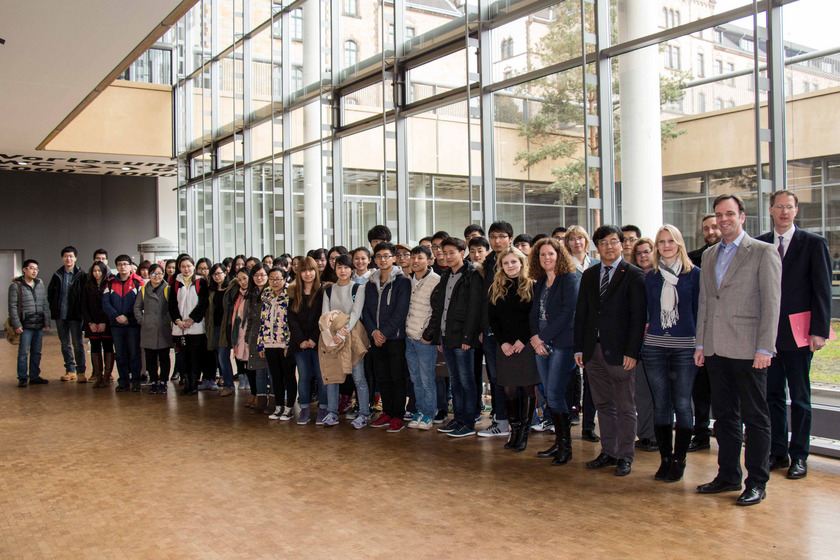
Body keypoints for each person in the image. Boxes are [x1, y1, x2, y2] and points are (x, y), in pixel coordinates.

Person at [695, 193, 782, 506]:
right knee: (725, 417)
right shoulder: (708, 255)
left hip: (749, 350)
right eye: (719, 215)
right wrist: (702, 343)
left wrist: (765, 348)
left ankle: (757, 481)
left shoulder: (763, 252)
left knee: (756, 418)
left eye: (729, 214)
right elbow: (706, 301)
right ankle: (728, 475)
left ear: (742, 217)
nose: (723, 220)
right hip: (716, 349)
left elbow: (772, 304)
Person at [757, 189, 832, 480]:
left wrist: (819, 331)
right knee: (772, 396)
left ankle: (799, 456)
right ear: (771, 211)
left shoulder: (814, 243)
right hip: (767, 336)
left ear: (796, 211)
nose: (784, 212)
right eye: (779, 207)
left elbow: (822, 291)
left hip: (799, 335)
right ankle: (777, 452)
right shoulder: (760, 244)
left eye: (789, 207)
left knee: (800, 398)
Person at [574, 225, 647, 477]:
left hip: (620, 353)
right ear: (596, 246)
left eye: (614, 241)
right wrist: (579, 348)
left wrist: (632, 352)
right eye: (603, 243)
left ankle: (625, 455)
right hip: (592, 351)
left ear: (622, 244)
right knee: (604, 405)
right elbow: (582, 314)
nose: (609, 246)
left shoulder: (634, 274)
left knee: (625, 406)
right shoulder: (590, 274)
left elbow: (638, 318)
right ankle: (609, 451)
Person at [641, 225, 701, 482]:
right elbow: (647, 312)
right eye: (661, 242)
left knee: (683, 404)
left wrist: (701, 345)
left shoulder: (694, 274)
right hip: (654, 346)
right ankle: (665, 458)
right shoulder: (651, 276)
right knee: (661, 403)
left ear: (679, 243)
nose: (666, 246)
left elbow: (700, 312)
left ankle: (680, 459)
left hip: (685, 347)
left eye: (670, 241)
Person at [424, 237, 483, 438]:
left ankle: (468, 422)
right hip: (446, 336)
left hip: (463, 338)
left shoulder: (472, 275)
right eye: (444, 252)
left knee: (467, 381)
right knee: (456, 381)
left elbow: (474, 310)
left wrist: (468, 338)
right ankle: (457, 419)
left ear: (462, 253)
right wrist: (439, 337)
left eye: (452, 252)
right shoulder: (446, 275)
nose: (447, 256)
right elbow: (440, 308)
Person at [528, 238, 580, 465]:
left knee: (555, 393)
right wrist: (535, 340)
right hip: (541, 345)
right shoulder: (540, 281)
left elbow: (567, 314)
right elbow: (532, 313)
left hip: (562, 344)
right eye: (542, 255)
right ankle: (559, 442)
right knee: (550, 394)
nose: (546, 258)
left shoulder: (569, 279)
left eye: (550, 254)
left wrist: (542, 337)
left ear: (559, 255)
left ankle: (566, 447)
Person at [488, 247, 538, 449]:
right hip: (505, 346)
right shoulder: (496, 287)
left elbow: (533, 317)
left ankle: (524, 432)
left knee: (526, 388)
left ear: (522, 263)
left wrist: (522, 340)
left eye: (513, 262)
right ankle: (514, 430)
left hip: (526, 345)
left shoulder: (532, 285)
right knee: (508, 391)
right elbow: (493, 319)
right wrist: (503, 342)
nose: (510, 266)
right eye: (506, 263)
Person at [362, 242, 411, 433]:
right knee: (382, 377)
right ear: (375, 260)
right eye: (379, 256)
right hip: (376, 339)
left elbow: (401, 311)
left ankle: (398, 415)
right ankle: (387, 413)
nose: (383, 260)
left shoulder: (403, 282)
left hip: (395, 338)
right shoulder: (370, 282)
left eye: (386, 256)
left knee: (397, 378)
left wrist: (384, 333)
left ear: (393, 258)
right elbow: (365, 311)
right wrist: (374, 332)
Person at [320, 255, 371, 428]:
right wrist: (331, 335)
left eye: (346, 267)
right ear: (334, 269)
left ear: (352, 270)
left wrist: (343, 332)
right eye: (339, 267)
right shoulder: (328, 290)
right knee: (333, 376)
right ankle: (332, 413)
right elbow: (325, 317)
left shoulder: (358, 288)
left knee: (358, 377)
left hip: (353, 336)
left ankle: (364, 413)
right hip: (333, 338)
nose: (343, 271)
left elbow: (356, 314)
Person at [685, 213, 721, 452]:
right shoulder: (693, 259)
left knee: (726, 391)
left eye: (714, 227)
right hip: (699, 331)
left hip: (728, 334)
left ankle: (730, 434)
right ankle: (701, 434)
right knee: (700, 390)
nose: (710, 232)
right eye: (706, 228)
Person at [564, 225, 601, 439]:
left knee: (591, 379)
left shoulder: (597, 264)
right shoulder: (565, 267)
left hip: (592, 329)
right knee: (569, 377)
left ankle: (588, 426)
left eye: (581, 238)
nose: (577, 242)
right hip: (570, 328)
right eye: (572, 239)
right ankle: (567, 418)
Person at [405, 245, 441, 430]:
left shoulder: (436, 281)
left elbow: (438, 312)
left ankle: (429, 413)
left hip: (424, 339)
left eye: (420, 258)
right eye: (413, 258)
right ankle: (419, 410)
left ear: (429, 260)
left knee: (427, 379)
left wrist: (429, 335)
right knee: (415, 378)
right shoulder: (409, 280)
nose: (415, 261)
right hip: (409, 337)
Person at [288, 256, 327, 424]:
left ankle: (323, 408)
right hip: (300, 344)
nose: (308, 273)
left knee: (321, 376)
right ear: (299, 273)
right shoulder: (293, 292)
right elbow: (291, 319)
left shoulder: (324, 291)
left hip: (319, 342)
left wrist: (313, 339)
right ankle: (304, 409)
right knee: (303, 376)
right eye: (304, 270)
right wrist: (302, 340)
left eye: (311, 270)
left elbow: (323, 317)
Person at [629, 237, 658, 453]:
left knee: (660, 390)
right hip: (638, 343)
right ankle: (647, 434)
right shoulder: (633, 278)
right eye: (638, 253)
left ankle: (659, 435)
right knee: (641, 392)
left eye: (647, 251)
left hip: (660, 342)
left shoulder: (663, 276)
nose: (643, 256)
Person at [102, 255, 144, 392]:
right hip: (116, 326)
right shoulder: (110, 283)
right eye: (120, 264)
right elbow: (106, 303)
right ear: (116, 267)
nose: (123, 267)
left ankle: (136, 381)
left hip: (133, 325)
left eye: (125, 264)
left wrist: (126, 316)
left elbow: (140, 303)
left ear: (131, 266)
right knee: (120, 355)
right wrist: (116, 316)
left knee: (134, 354)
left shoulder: (138, 282)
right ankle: (123, 382)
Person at [260, 267, 298, 421]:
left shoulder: (291, 294)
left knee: (288, 375)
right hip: (269, 343)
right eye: (272, 279)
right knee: (275, 376)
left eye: (278, 279)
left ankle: (289, 407)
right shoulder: (266, 294)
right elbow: (263, 321)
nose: (275, 282)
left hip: (285, 343)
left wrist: (289, 344)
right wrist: (261, 344)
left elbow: (293, 322)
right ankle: (278, 406)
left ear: (285, 279)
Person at [169, 257, 210, 396]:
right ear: (179, 268)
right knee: (183, 357)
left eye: (189, 266)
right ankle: (186, 383)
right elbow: (172, 305)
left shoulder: (201, 282)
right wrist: (178, 320)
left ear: (193, 266)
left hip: (196, 327)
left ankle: (194, 384)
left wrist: (192, 319)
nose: (186, 269)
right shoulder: (175, 283)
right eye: (183, 266)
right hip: (180, 328)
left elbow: (203, 303)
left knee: (195, 357)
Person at [47, 246, 87, 382]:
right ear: (62, 258)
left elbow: (85, 295)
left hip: (75, 315)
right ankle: (70, 370)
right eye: (65, 256)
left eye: (71, 256)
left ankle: (81, 371)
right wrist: (54, 308)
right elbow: (50, 294)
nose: (68, 258)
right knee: (65, 344)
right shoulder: (57, 274)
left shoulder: (82, 275)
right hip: (60, 315)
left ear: (75, 258)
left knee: (78, 343)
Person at [9, 260, 50, 387]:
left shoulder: (40, 285)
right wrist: (16, 324)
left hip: (38, 324)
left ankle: (34, 376)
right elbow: (12, 307)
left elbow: (44, 304)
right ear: (24, 269)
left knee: (37, 352)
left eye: (36, 269)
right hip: (25, 325)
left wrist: (46, 322)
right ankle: (22, 377)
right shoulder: (16, 286)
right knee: (23, 353)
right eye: (32, 268)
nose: (34, 271)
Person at [134, 264, 173, 394]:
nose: (157, 276)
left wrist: (166, 319)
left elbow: (172, 307)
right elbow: (137, 307)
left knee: (164, 357)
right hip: (148, 328)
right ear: (149, 275)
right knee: (150, 357)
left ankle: (163, 381)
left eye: (160, 274)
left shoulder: (168, 289)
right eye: (154, 274)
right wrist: (142, 320)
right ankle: (154, 381)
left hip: (163, 328)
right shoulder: (144, 290)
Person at [82, 261, 114, 388]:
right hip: (92, 324)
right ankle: (98, 376)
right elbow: (84, 306)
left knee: (108, 347)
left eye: (99, 271)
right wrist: (90, 322)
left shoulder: (109, 285)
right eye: (94, 271)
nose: (97, 273)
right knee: (95, 348)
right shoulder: (87, 286)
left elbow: (110, 305)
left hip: (106, 323)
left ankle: (107, 376)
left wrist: (104, 322)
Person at [207, 263, 235, 396]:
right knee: (221, 357)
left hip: (228, 328)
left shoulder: (231, 289)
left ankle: (229, 385)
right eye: (214, 274)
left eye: (219, 273)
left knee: (223, 357)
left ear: (225, 273)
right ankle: (227, 383)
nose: (217, 276)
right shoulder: (211, 291)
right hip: (215, 328)